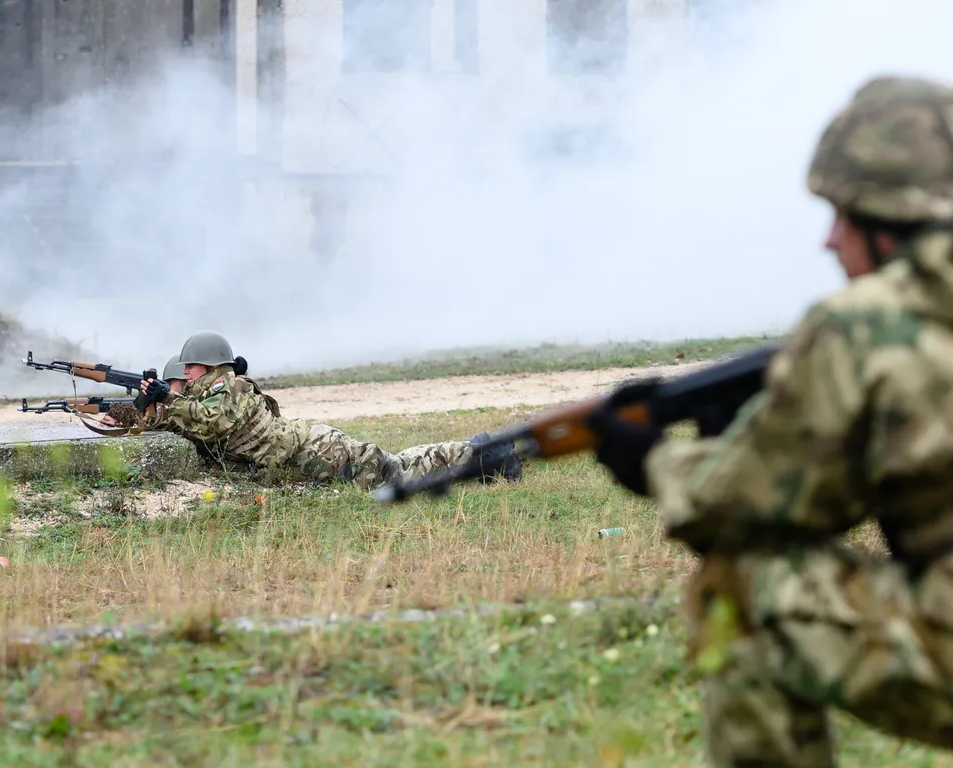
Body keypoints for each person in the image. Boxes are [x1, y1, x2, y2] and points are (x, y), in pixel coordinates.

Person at [590, 74, 953, 766]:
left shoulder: (865, 328)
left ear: (892, 225)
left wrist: (653, 461)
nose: (830, 242)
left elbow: (753, 504)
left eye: (847, 216)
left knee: (744, 577)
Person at [139, 331, 523, 488]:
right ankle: (481, 452)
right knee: (398, 465)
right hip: (307, 452)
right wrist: (137, 410)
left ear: (208, 364)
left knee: (398, 473)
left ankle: (485, 454)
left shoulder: (231, 389)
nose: (184, 373)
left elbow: (213, 424)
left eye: (189, 367)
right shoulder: (206, 395)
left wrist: (168, 399)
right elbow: (192, 425)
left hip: (317, 451)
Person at [100, 355, 188, 429]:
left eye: (170, 383)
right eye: (166, 384)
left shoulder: (189, 412)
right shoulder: (162, 408)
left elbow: (165, 427)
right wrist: (118, 421)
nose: (167, 389)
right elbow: (147, 422)